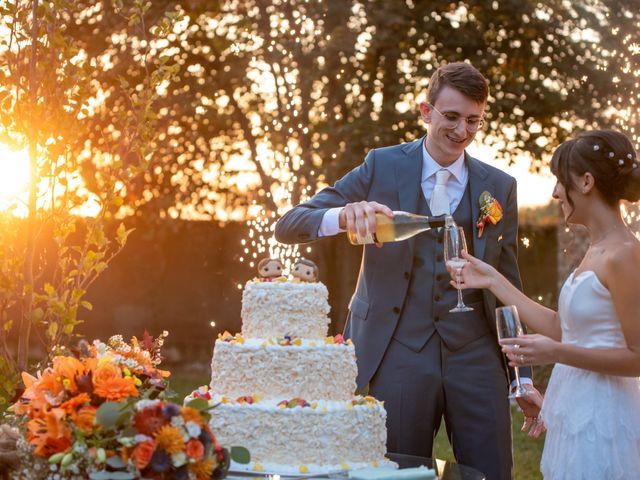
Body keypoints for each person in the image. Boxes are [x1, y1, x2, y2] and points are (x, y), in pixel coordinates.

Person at [275, 61, 542, 480]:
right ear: (425, 111)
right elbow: (289, 224)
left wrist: (521, 377)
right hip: (397, 349)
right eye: (451, 117)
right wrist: (345, 214)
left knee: (493, 472)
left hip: (476, 355)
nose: (462, 131)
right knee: (392, 473)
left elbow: (508, 284)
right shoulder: (382, 166)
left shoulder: (499, 186)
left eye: (474, 120)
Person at [451, 129, 640, 479]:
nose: (554, 192)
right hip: (579, 407)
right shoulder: (596, 250)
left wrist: (555, 353)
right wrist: (492, 279)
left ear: (585, 182)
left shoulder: (625, 254)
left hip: (607, 417)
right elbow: (562, 327)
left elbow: (637, 357)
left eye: (558, 181)